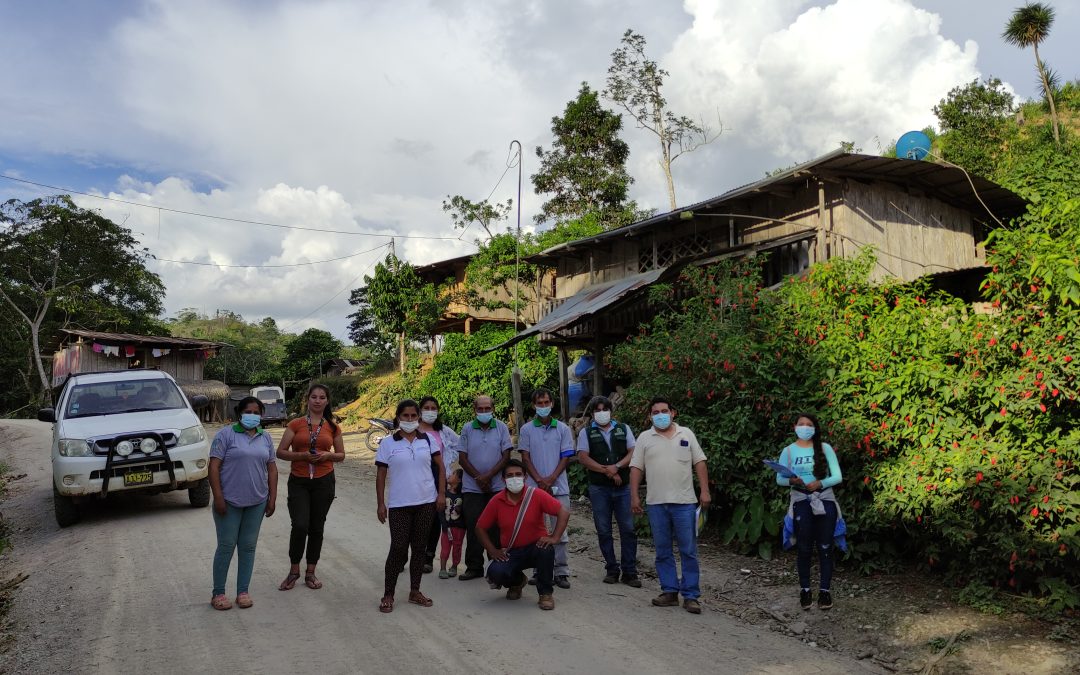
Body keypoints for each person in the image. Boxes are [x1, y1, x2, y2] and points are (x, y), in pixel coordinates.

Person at [630, 397, 711, 614]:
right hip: (656, 503)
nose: (660, 415)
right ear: (650, 416)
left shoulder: (686, 433)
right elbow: (636, 468)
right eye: (655, 412)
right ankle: (669, 591)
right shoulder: (645, 438)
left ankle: (691, 595)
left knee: (689, 550)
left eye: (664, 410)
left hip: (685, 502)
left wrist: (705, 490)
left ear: (673, 412)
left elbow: (699, 462)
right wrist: (634, 496)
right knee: (663, 550)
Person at [208, 396, 278, 610]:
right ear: (240, 413)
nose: (253, 416)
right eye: (249, 411)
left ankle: (243, 592)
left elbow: (272, 468)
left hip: (256, 501)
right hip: (229, 501)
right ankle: (218, 593)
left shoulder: (265, 437)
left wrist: (272, 497)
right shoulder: (225, 435)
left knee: (248, 547)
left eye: (257, 412)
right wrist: (218, 497)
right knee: (226, 546)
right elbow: (213, 467)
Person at [375, 399, 446, 613]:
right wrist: (380, 503)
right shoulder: (388, 443)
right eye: (405, 416)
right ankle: (388, 593)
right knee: (397, 548)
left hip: (426, 502)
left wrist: (441, 494)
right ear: (398, 418)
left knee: (419, 548)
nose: (409, 420)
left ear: (418, 417)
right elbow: (380, 475)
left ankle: (415, 591)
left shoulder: (428, 440)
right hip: (399, 504)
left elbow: (441, 468)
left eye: (413, 416)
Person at [275, 383, 345, 591]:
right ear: (308, 399)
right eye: (314, 397)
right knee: (299, 525)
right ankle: (294, 570)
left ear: (327, 401)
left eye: (322, 397)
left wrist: (328, 455)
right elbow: (280, 452)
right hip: (299, 480)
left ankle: (311, 572)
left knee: (317, 527)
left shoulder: (333, 427)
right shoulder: (295, 424)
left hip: (324, 480)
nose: (317, 400)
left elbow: (341, 455)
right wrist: (302, 456)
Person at [476, 459, 570, 611]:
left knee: (546, 551)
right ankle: (517, 582)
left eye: (518, 474)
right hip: (512, 551)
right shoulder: (497, 500)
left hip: (536, 547)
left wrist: (554, 537)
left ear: (525, 477)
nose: (514, 478)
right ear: (503, 479)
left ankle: (545, 594)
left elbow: (563, 512)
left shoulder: (536, 494)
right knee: (495, 572)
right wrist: (492, 550)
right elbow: (480, 527)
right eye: (510, 475)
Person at [776, 413, 843, 611]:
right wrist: (793, 481)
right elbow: (779, 479)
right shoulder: (788, 451)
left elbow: (837, 476)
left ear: (815, 428)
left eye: (809, 424)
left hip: (824, 499)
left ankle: (825, 591)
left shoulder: (825, 448)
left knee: (825, 546)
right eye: (801, 424)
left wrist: (820, 483)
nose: (805, 428)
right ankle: (805, 589)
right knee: (804, 547)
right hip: (801, 499)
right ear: (794, 426)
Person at [576, 396, 640, 587]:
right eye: (598, 410)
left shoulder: (623, 429)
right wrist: (609, 472)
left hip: (624, 488)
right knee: (603, 530)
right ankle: (612, 569)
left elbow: (633, 452)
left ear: (611, 411)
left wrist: (617, 466)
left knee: (628, 529)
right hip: (599, 488)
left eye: (605, 409)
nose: (602, 412)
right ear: (592, 413)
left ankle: (630, 572)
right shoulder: (586, 433)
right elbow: (583, 458)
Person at [519, 388, 575, 589]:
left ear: (552, 404)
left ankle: (561, 571)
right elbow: (525, 458)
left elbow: (566, 456)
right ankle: (539, 570)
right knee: (536, 530)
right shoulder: (526, 430)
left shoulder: (562, 429)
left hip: (559, 486)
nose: (543, 406)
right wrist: (539, 480)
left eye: (546, 403)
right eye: (539, 403)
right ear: (534, 405)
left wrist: (550, 479)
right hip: (534, 488)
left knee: (560, 530)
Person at [457, 394, 513, 581]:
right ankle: (474, 567)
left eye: (487, 408)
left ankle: (496, 565)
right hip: (472, 489)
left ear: (493, 409)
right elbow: (462, 458)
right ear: (475, 410)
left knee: (496, 527)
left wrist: (488, 477)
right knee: (474, 526)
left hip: (496, 486)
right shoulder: (467, 428)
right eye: (480, 409)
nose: (484, 412)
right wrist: (478, 478)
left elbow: (506, 456)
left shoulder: (501, 427)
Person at [418, 396, 461, 574]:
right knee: (418, 518)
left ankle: (428, 557)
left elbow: (460, 446)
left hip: (438, 477)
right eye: (426, 408)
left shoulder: (443, 431)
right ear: (420, 410)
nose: (430, 411)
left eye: (433, 408)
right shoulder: (412, 429)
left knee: (436, 518)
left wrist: (455, 472)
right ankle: (410, 555)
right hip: (417, 478)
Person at [438, 469, 466, 579]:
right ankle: (443, 568)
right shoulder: (444, 494)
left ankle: (454, 566)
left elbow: (466, 511)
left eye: (453, 474)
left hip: (459, 528)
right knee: (445, 547)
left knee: (457, 548)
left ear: (459, 480)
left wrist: (461, 509)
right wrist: (443, 524)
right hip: (447, 527)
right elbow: (440, 510)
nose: (450, 475)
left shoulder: (463, 495)